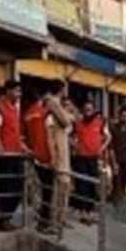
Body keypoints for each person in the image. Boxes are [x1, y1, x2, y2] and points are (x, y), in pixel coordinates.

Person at [0, 81, 27, 230]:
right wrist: (1, 149)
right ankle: (2, 219)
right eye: (17, 91)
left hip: (16, 154)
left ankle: (5, 218)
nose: (19, 94)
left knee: (17, 188)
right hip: (7, 156)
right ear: (8, 91)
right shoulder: (0, 108)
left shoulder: (14, 109)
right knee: (7, 187)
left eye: (20, 91)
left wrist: (24, 148)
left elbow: (15, 134)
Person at [44, 81, 75, 233]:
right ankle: (54, 222)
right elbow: (66, 121)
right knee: (59, 187)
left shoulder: (56, 104)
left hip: (63, 151)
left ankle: (61, 219)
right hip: (58, 152)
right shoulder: (53, 103)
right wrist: (68, 114)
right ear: (61, 90)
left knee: (65, 187)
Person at [24, 90, 55, 233]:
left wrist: (30, 151)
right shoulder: (45, 113)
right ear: (40, 99)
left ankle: (41, 219)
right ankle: (44, 223)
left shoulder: (27, 115)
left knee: (40, 189)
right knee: (48, 191)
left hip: (34, 156)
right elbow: (49, 137)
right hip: (45, 156)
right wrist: (53, 157)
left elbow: (22, 138)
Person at [73, 102, 110, 223]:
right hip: (81, 158)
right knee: (82, 185)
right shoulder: (78, 123)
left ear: (93, 110)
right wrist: (75, 146)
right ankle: (83, 211)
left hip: (94, 158)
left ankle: (90, 211)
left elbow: (108, 137)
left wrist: (101, 148)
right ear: (83, 111)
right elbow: (68, 135)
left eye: (90, 109)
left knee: (92, 185)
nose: (87, 111)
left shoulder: (100, 122)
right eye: (86, 109)